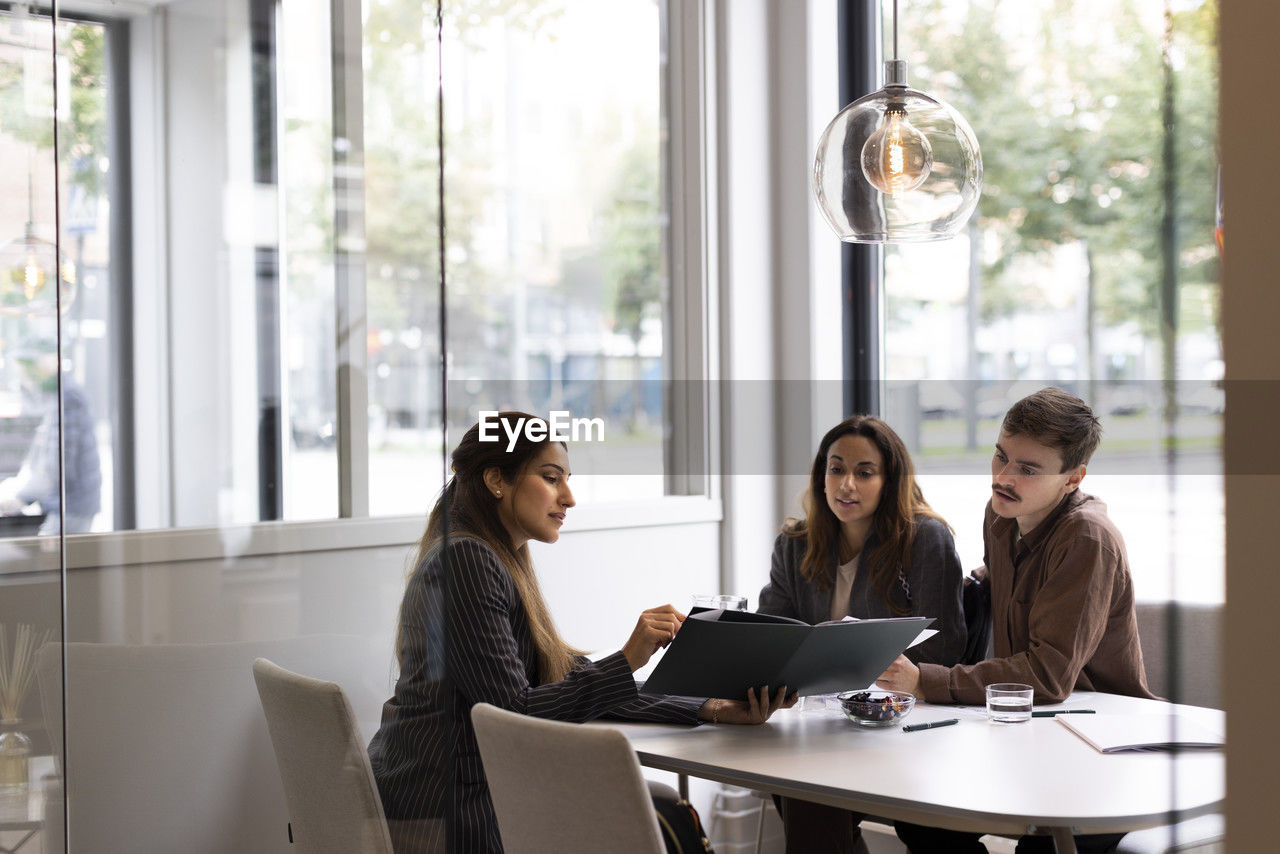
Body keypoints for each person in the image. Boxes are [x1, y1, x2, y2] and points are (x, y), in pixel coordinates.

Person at [367, 411, 797, 853]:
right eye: (552, 478)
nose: (569, 498)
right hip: (446, 810)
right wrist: (628, 658)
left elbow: (561, 683)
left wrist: (709, 707)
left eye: (567, 479)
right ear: (497, 480)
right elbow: (516, 714)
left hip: (451, 791)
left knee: (661, 808)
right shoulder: (468, 562)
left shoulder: (492, 556)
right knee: (659, 813)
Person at [878, 388, 1156, 854]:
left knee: (1042, 847)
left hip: (1099, 744)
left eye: (1028, 469)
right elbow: (1008, 583)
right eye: (1000, 457)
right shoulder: (1002, 514)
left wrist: (925, 680)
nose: (1003, 478)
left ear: (1073, 479)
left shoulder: (1088, 537)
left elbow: (1047, 676)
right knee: (920, 811)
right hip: (1023, 730)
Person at [757, 415, 968, 854]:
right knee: (800, 785)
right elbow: (769, 633)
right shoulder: (795, 543)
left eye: (864, 472)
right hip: (819, 724)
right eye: (836, 469)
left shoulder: (924, 538)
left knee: (806, 789)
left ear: (890, 480)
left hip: (900, 723)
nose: (846, 484)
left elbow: (946, 647)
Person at [0, 350, 101, 536]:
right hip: (65, 502)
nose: (26, 381)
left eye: (27, 374)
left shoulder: (66, 399)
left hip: (71, 506)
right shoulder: (53, 397)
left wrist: (23, 497)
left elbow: (59, 465)